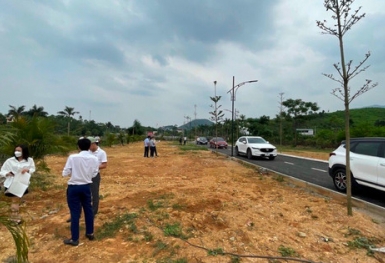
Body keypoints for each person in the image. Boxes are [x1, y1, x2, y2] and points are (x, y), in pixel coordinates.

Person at [62, 137, 99, 246]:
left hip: (74, 187)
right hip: (86, 186)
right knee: (88, 209)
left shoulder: (73, 157)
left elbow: (65, 172)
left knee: (74, 212)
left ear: (78, 146)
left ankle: (74, 239)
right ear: (89, 146)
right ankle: (90, 233)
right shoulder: (94, 158)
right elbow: (94, 173)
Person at [0, 144, 35, 224]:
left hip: (22, 183)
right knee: (15, 201)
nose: (17, 152)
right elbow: (2, 171)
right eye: (16, 150)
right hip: (11, 183)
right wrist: (7, 173)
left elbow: (33, 169)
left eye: (19, 151)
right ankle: (15, 219)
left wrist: (27, 170)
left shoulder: (29, 160)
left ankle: (14, 217)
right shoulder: (10, 160)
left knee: (16, 201)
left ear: (24, 151)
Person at [88, 136, 107, 216]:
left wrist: (93, 167)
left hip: (95, 176)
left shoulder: (101, 152)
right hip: (85, 175)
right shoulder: (87, 152)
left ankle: (94, 211)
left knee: (94, 194)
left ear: (93, 144)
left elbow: (104, 165)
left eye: (88, 145)